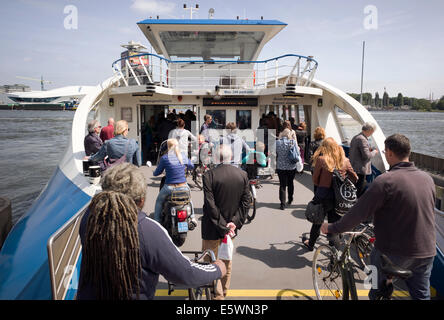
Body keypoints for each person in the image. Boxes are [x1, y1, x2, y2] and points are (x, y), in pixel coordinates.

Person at [77, 163, 226, 300]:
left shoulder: (89, 219)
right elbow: (185, 273)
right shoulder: (148, 231)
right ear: (141, 200)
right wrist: (217, 268)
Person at [321, 134, 436, 300]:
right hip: (426, 252)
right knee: (422, 296)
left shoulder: (385, 181)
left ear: (389, 153)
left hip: (392, 252)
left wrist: (332, 227)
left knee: (374, 287)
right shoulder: (427, 179)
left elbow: (358, 213)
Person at [201, 144, 251, 300]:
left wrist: (222, 225)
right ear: (230, 157)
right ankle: (223, 292)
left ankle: (216, 293)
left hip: (212, 227)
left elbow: (211, 205)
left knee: (211, 261)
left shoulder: (209, 175)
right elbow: (246, 202)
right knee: (226, 260)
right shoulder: (242, 175)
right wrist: (233, 223)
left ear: (217, 157)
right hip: (231, 228)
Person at [301, 137, 358, 251]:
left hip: (323, 196)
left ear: (324, 147)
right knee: (334, 226)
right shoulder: (345, 160)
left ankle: (311, 244)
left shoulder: (322, 160)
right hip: (339, 198)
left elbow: (315, 180)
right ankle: (335, 257)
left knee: (318, 222)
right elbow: (355, 178)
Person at [153, 139, 197, 227]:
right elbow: (192, 166)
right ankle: (192, 218)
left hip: (169, 188)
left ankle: (157, 221)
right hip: (183, 187)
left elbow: (156, 173)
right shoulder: (183, 156)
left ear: (168, 147)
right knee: (189, 199)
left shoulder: (165, 158)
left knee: (159, 201)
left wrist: (155, 172)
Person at [275, 128, 303, 210]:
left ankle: (282, 204)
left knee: (282, 185)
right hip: (291, 167)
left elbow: (274, 153)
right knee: (290, 183)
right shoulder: (292, 142)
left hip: (281, 167)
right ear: (289, 135)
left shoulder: (277, 143)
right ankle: (290, 199)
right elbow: (297, 154)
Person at [349, 122, 379, 197]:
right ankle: (357, 206)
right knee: (359, 190)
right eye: (372, 131)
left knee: (355, 189)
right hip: (360, 169)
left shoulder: (356, 137)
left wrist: (369, 149)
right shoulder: (362, 139)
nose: (372, 133)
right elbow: (366, 156)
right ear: (370, 130)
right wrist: (375, 152)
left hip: (354, 167)